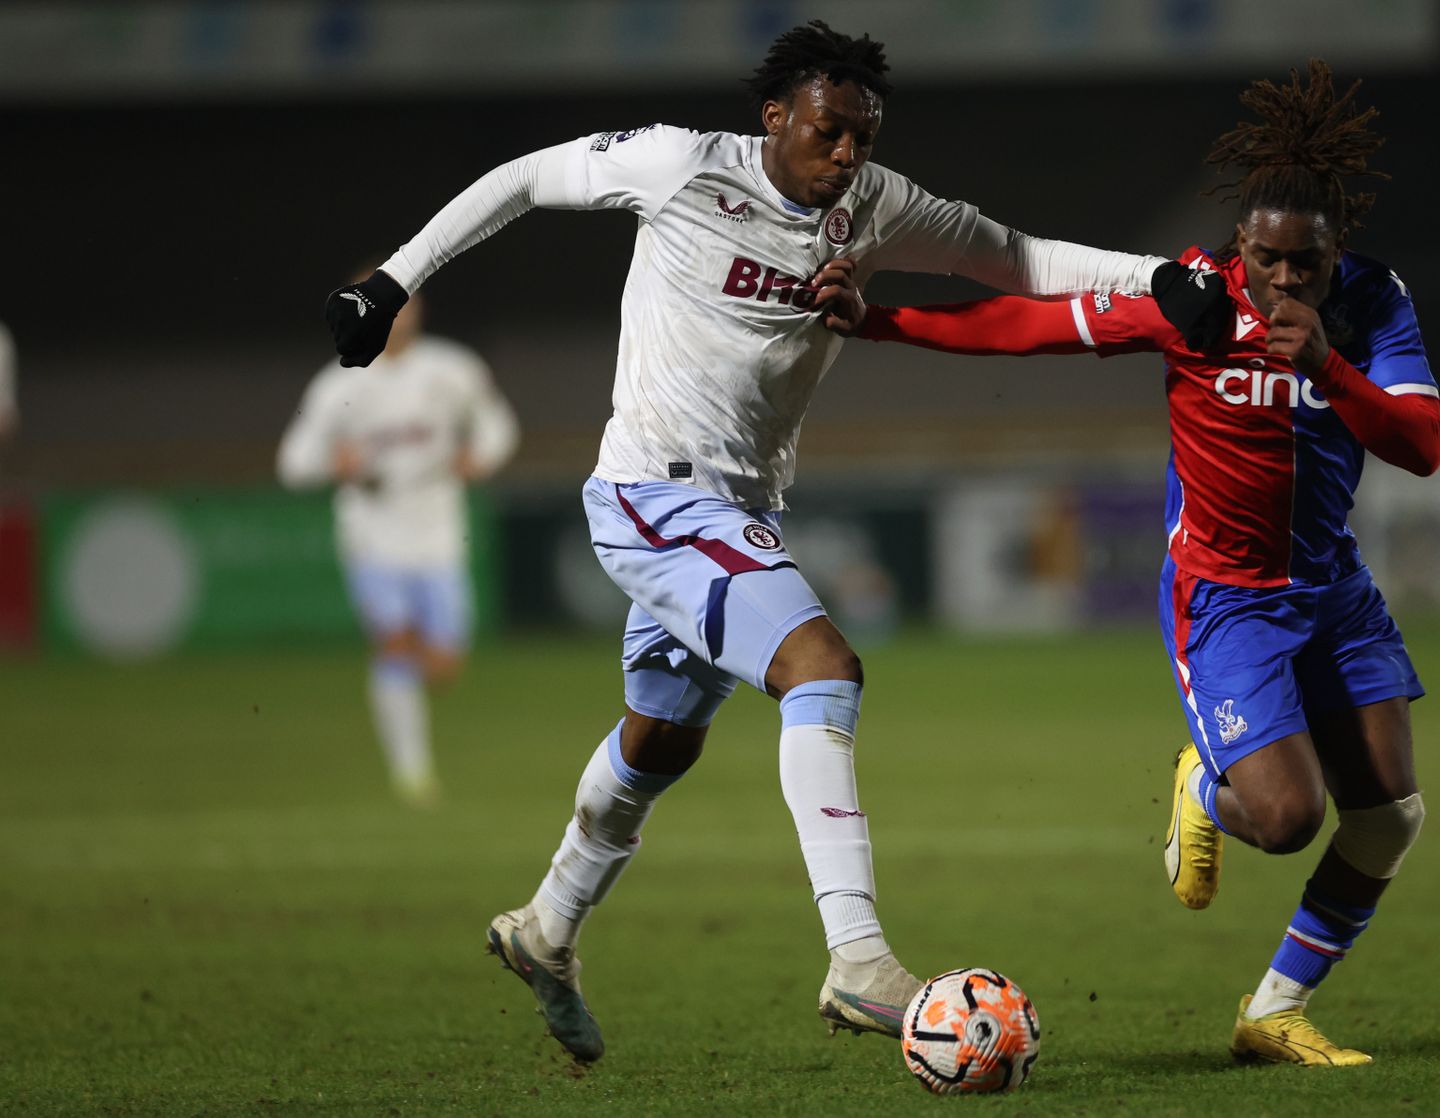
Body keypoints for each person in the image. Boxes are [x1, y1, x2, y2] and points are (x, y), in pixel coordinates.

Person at [321, 20, 1167, 1064]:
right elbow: (527, 177)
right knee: (824, 670)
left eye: (862, 134)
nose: (847, 153)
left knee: (660, 738)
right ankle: (857, 956)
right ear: (775, 119)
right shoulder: (681, 166)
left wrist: (1157, 276)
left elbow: (1014, 256)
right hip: (652, 495)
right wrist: (393, 282)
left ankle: (546, 927)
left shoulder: (873, 204)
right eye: (828, 130)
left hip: (740, 511)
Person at [852, 61, 1440, 1067]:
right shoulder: (1195, 301)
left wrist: (1329, 368)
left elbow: (1421, 445)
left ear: (1334, 249)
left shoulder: (1374, 301)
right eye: (1265, 258)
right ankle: (1207, 790)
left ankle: (1271, 1011)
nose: (1284, 279)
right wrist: (878, 317)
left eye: (1304, 262)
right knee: (1290, 816)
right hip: (1226, 599)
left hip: (1332, 590)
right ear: (1242, 245)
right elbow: (1026, 328)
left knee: (1389, 813)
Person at [279, 280, 518, 807]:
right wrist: (329, 465)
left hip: (438, 535)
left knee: (442, 664)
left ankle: (412, 747)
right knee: (394, 648)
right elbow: (293, 462)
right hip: (373, 537)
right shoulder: (336, 384)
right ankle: (412, 773)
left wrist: (481, 457)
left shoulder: (452, 369)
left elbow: (498, 426)